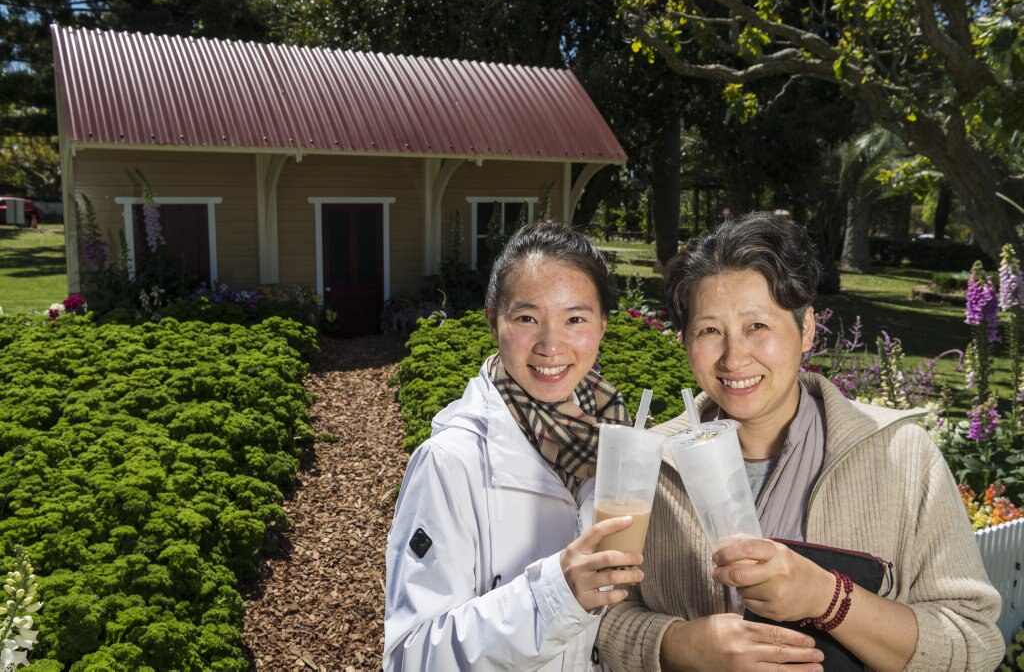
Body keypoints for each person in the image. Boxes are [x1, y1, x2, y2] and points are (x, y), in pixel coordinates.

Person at [597, 213, 1003, 671]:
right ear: (686, 340)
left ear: (806, 327)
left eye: (758, 326)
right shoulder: (649, 465)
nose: (734, 357)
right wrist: (675, 643)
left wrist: (829, 599)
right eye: (710, 330)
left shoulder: (901, 454)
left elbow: (974, 647)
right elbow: (596, 618)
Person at [384, 220, 644, 670]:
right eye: (527, 318)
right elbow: (412, 657)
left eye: (575, 319)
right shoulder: (450, 462)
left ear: (602, 326)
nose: (550, 344)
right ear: (493, 322)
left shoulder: (619, 447)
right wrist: (555, 596)